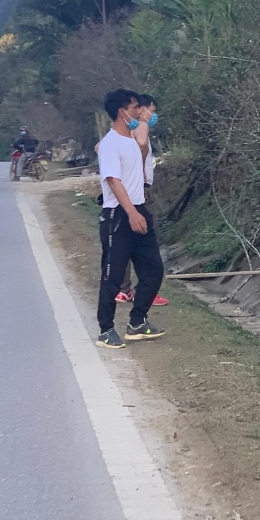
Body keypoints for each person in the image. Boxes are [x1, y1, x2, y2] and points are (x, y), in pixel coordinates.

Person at [95, 89, 166, 349]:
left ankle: (137, 322)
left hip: (138, 211)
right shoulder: (111, 143)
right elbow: (113, 180)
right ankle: (105, 329)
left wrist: (139, 211)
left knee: (154, 269)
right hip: (118, 215)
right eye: (135, 107)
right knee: (112, 275)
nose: (139, 111)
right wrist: (131, 213)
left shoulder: (131, 143)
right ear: (122, 111)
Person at [116, 94, 169, 307]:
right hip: (140, 191)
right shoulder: (142, 126)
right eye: (152, 110)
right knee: (147, 243)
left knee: (125, 241)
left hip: (131, 189)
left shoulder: (122, 132)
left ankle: (124, 289)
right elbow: (141, 144)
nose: (153, 115)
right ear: (143, 110)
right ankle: (146, 290)